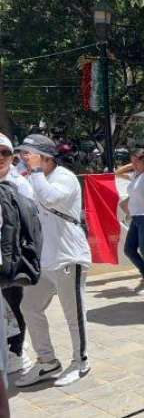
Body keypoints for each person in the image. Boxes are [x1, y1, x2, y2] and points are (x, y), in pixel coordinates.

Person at [16, 134, 92, 386]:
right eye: (23, 154)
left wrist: (35, 171)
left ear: (45, 156)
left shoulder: (65, 178)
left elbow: (50, 198)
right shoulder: (33, 178)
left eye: (28, 153)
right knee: (29, 306)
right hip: (45, 260)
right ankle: (47, 362)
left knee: (73, 314)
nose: (24, 158)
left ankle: (80, 361)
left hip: (68, 256)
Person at [0, 135, 34, 374]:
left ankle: (17, 352)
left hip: (12, 257)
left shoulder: (19, 185)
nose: (0, 157)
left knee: (14, 304)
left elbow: (30, 224)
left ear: (12, 156)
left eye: (4, 152)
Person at [115, 148, 144, 295]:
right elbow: (118, 172)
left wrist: (143, 156)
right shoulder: (136, 175)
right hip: (136, 217)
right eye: (131, 160)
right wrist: (134, 163)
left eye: (136, 160)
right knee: (129, 249)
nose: (133, 163)